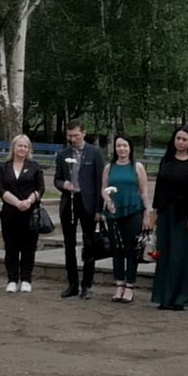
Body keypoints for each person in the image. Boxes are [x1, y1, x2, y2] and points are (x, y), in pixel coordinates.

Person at [148, 125, 188, 311]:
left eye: (184, 139)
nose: (180, 142)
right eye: (178, 138)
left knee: (179, 255)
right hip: (165, 212)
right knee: (163, 254)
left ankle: (178, 299)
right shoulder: (167, 160)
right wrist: (154, 212)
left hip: (184, 215)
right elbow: (159, 187)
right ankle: (163, 297)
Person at [53, 120, 105, 299]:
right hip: (70, 201)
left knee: (89, 243)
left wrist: (99, 209)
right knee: (69, 243)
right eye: (70, 136)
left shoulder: (95, 153)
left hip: (88, 202)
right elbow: (57, 179)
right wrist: (63, 184)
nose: (73, 139)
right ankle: (72, 283)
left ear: (84, 133)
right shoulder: (62, 154)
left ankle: (87, 284)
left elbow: (100, 182)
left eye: (76, 135)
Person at [102, 133, 153, 303]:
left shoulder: (137, 167)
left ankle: (130, 286)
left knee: (132, 249)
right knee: (117, 249)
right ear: (114, 148)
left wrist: (147, 213)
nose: (121, 149)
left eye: (124, 145)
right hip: (114, 213)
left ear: (130, 148)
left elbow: (144, 191)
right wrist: (108, 201)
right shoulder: (109, 168)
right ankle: (119, 285)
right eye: (118, 146)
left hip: (134, 211)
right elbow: (104, 189)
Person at [0, 134, 46, 294]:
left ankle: (26, 279)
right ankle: (12, 279)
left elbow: (40, 189)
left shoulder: (35, 167)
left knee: (29, 247)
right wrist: (16, 202)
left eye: (25, 146)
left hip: (30, 213)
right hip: (10, 212)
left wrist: (29, 201)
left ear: (28, 149)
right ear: (13, 147)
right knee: (11, 247)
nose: (22, 149)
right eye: (19, 145)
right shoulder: (4, 167)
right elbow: (1, 190)